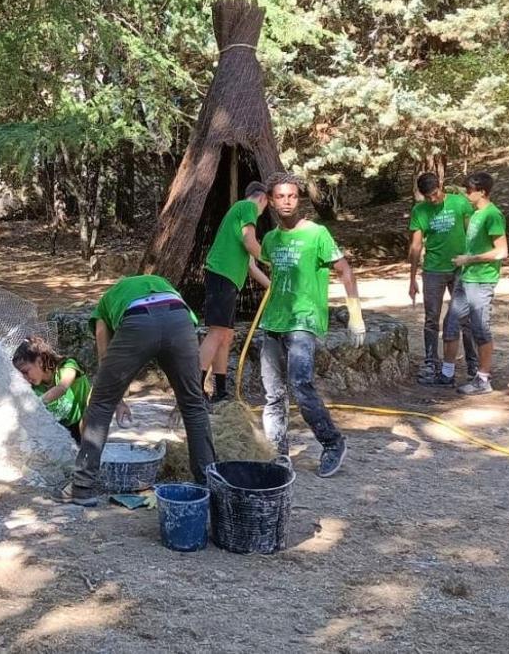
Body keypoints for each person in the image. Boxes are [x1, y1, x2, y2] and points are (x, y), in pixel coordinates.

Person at [55, 275, 218, 506]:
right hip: (179, 318)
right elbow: (190, 332)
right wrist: (187, 389)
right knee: (193, 405)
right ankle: (208, 484)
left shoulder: (103, 306)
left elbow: (104, 357)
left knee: (101, 403)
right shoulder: (163, 284)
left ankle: (81, 487)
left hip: (138, 321)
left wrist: (115, 398)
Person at [258, 171, 364, 477]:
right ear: (272, 201)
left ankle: (332, 442)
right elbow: (269, 269)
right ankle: (278, 454)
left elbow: (344, 269)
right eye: (280, 196)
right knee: (272, 393)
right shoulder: (271, 239)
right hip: (273, 322)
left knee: (300, 384)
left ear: (299, 199)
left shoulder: (316, 234)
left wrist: (355, 314)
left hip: (304, 321)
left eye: (292, 195)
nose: (287, 201)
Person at [436, 171, 508, 395]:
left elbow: (501, 251)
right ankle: (446, 373)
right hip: (466, 278)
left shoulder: (492, 215)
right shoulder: (476, 214)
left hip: (482, 280)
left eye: (469, 190)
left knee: (480, 328)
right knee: (451, 323)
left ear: (482, 192)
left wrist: (470, 259)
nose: (467, 194)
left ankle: (483, 379)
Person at [200, 181, 272, 402]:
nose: (262, 212)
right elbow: (251, 243)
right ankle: (194, 388)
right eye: (265, 206)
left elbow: (250, 266)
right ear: (263, 199)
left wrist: (272, 286)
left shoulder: (239, 214)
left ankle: (220, 390)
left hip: (227, 280)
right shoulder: (247, 207)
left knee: (226, 334)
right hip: (222, 276)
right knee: (217, 332)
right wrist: (275, 261)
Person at [409, 172, 479, 385]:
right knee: (432, 318)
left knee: (464, 317)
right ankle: (431, 361)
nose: (433, 199)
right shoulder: (419, 211)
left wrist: (472, 261)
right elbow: (416, 245)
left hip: (459, 267)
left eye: (435, 194)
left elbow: (472, 232)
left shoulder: (459, 203)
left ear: (441, 186)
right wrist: (412, 278)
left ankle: (472, 362)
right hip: (433, 270)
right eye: (428, 196)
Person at [12, 336, 92, 444]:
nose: (25, 378)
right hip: (63, 429)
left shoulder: (67, 366)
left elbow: (62, 387)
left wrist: (37, 403)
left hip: (86, 422)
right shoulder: (34, 387)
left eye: (26, 372)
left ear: (39, 361)